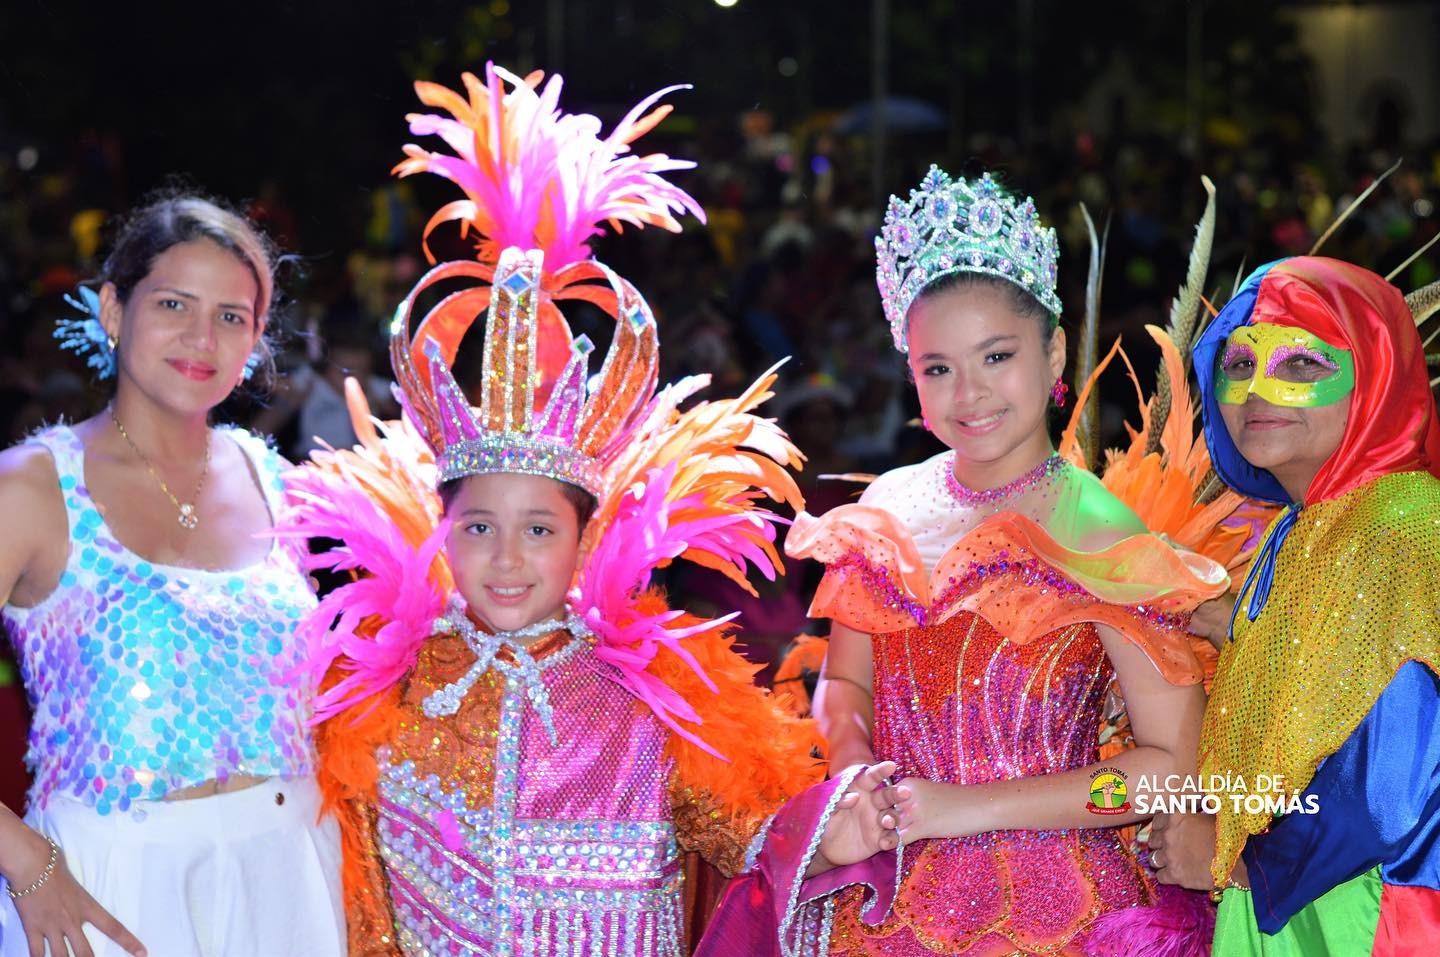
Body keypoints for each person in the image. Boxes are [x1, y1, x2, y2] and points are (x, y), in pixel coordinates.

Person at [284, 64, 898, 957]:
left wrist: (826, 830)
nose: (505, 558)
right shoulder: (387, 693)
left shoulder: (647, 691)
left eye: (539, 529)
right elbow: (364, 911)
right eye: (478, 527)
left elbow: (742, 834)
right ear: (440, 530)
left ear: (585, 539)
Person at [706, 167, 1231, 955]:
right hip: (885, 893)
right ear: (910, 375)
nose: (969, 394)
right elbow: (846, 681)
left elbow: (1164, 772)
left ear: (1054, 353)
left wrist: (960, 808)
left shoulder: (1103, 534)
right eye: (938, 368)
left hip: (1065, 914)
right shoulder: (886, 504)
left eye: (996, 356)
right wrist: (856, 774)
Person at [0, 195, 344, 956]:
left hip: (292, 881)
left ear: (257, 337)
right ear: (114, 310)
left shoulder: (281, 482)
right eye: (174, 304)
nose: (202, 337)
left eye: (232, 316)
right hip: (108, 889)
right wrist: (23, 860)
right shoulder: (29, 487)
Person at [1148, 256, 1440, 953]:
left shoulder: (1401, 523)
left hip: (1366, 911)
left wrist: (1245, 860)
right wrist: (1225, 632)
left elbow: (1401, 776)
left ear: (1373, 379)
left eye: (1303, 364)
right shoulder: (1305, 526)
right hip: (1307, 899)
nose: (1256, 389)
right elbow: (1342, 677)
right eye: (1239, 363)